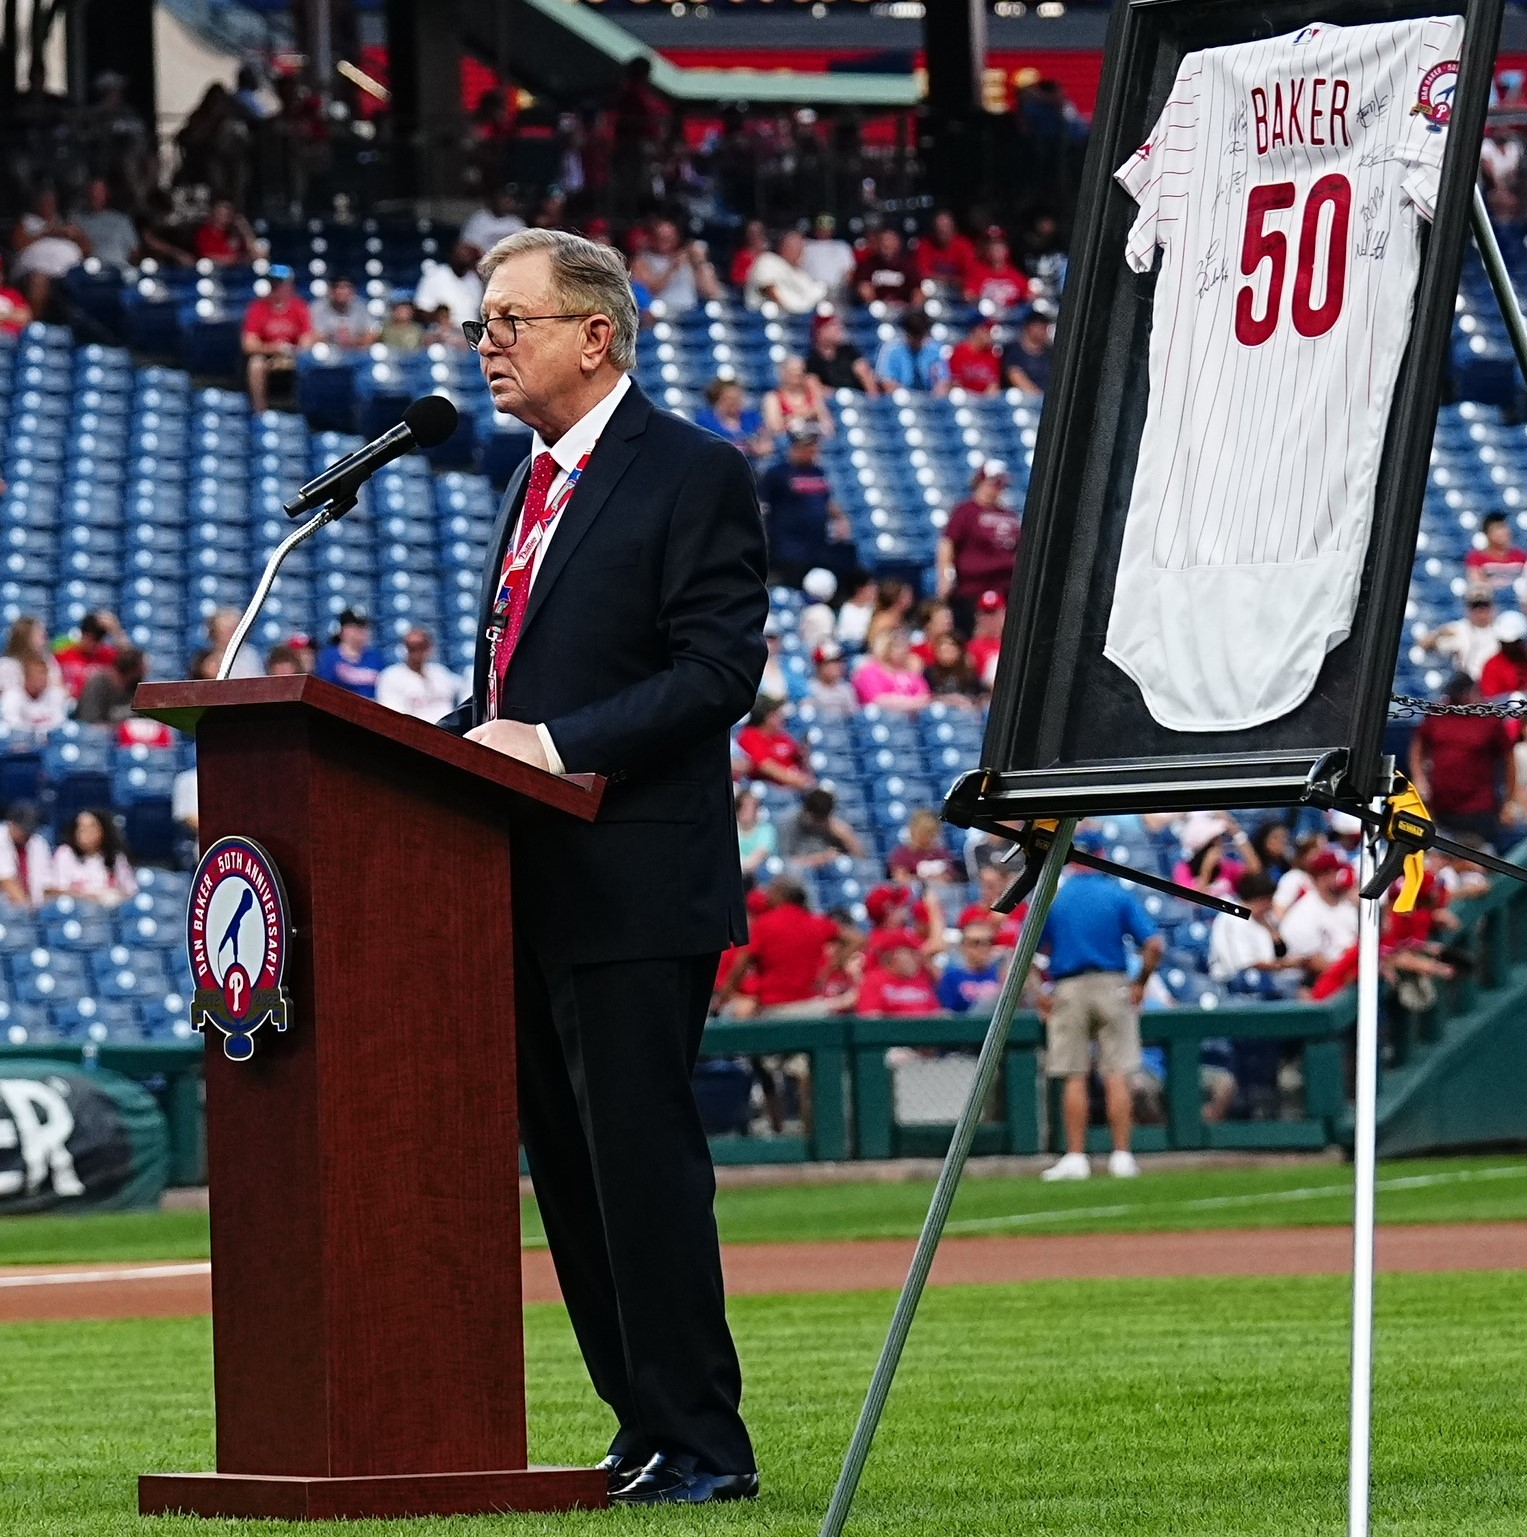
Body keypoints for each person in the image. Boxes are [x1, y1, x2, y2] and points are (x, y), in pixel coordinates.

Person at [447, 227, 764, 1503]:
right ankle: (638, 1423)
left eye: (509, 321)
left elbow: (715, 674)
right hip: (520, 879)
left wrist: (556, 741)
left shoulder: (692, 471)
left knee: (639, 1165)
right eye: (481, 324)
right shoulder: (527, 484)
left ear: (597, 334)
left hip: (634, 876)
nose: (487, 344)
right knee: (570, 1176)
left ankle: (705, 1443)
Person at [1038, 833, 1163, 1180]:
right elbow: (1154, 945)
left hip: (1068, 986)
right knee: (1117, 1073)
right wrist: (1140, 984)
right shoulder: (1115, 893)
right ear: (1101, 855)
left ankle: (1076, 1156)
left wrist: (1039, 994)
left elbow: (1028, 950)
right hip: (1112, 984)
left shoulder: (1056, 895)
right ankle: (1122, 1155)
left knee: (1074, 1075)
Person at [1409, 674, 1523, 850]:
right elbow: (1418, 747)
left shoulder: (1488, 718)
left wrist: (1509, 801)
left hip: (1478, 810)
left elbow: (1508, 759)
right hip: (1441, 807)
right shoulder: (1439, 713)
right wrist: (1419, 777)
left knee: (1478, 860)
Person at [756, 423, 856, 589]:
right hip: (789, 550)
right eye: (810, 446)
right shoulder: (778, 473)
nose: (815, 450)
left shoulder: (818, 472)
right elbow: (762, 506)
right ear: (798, 446)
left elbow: (826, 501)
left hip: (818, 547)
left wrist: (840, 518)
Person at [938, 462, 1020, 628]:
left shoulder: (1009, 515)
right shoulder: (966, 511)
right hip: (972, 589)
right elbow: (948, 544)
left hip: (1005, 588)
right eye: (993, 483)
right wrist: (945, 576)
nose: (997, 488)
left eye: (1001, 484)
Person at [1208, 870, 1300, 996]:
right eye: (1268, 900)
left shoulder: (1263, 918)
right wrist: (1285, 965)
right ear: (1258, 899)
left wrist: (1269, 927)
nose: (1271, 905)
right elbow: (1245, 964)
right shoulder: (1234, 918)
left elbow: (1280, 948)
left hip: (1267, 982)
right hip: (1231, 985)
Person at [242, 266, 315, 413]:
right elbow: (248, 344)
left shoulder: (299, 307)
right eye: (273, 283)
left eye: (281, 283)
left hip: (294, 356)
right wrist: (275, 348)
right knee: (255, 364)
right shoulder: (258, 307)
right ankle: (259, 412)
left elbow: (307, 340)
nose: (276, 288)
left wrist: (291, 352)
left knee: (309, 364)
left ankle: (305, 413)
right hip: (267, 357)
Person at [1277, 850, 1360, 975]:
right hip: (1309, 980)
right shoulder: (1304, 913)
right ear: (1320, 877)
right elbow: (1314, 963)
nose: (1341, 876)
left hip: (1345, 974)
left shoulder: (1347, 907)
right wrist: (1354, 974)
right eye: (1335, 872)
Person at [10, 188, 88, 316]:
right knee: (39, 281)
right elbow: (17, 244)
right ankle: (34, 327)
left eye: (51, 202)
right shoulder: (28, 221)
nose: (47, 205)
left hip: (69, 271)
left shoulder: (65, 222)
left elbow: (88, 249)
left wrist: (77, 235)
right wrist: (47, 232)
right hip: (37, 271)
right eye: (44, 202)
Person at [630, 218, 720, 316]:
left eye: (669, 238)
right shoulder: (641, 261)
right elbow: (648, 290)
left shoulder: (688, 257)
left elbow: (711, 292)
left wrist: (700, 262)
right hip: (661, 314)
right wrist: (672, 267)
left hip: (691, 313)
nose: (665, 242)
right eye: (661, 237)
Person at [48, 809, 137, 906]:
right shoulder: (65, 854)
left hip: (108, 914)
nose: (87, 833)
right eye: (82, 828)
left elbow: (130, 891)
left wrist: (114, 896)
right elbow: (57, 890)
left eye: (92, 827)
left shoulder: (116, 857)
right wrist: (92, 897)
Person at [376, 628, 463, 722]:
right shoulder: (391, 676)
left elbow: (465, 689)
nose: (417, 652)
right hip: (413, 732)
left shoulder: (440, 672)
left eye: (421, 646)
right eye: (411, 647)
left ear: (429, 647)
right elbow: (392, 715)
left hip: (448, 731)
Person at [1421, 584, 1501, 680]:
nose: (1480, 610)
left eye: (1484, 605)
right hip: (1468, 686)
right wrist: (1439, 633)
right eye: (1475, 605)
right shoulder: (1459, 629)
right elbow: (1424, 646)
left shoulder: (1503, 630)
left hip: (1495, 685)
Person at [735, 696, 812, 790]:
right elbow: (765, 766)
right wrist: (796, 780)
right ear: (766, 717)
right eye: (776, 714)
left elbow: (800, 759)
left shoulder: (783, 736)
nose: (781, 717)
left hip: (793, 787)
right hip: (770, 788)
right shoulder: (750, 735)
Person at [743, 230, 827, 315]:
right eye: (797, 247)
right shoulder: (768, 260)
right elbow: (770, 291)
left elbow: (815, 296)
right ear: (784, 247)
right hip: (763, 319)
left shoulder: (801, 274)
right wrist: (793, 309)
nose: (802, 252)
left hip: (795, 320)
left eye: (802, 248)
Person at [857, 934, 942, 1014]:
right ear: (891, 955)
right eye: (911, 953)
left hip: (924, 1029)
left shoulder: (921, 979)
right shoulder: (874, 981)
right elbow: (871, 1019)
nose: (917, 958)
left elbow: (935, 1013)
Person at [779, 787, 862, 868]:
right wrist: (821, 858)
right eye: (817, 819)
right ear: (807, 813)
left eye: (824, 819)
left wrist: (847, 837)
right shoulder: (789, 824)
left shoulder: (833, 827)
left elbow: (862, 860)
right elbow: (784, 864)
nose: (821, 823)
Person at [695, 378, 772, 464]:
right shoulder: (705, 421)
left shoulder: (751, 417)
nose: (734, 403)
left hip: (752, 464)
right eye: (729, 399)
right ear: (717, 399)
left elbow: (767, 443)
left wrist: (758, 447)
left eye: (738, 398)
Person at [853, 628, 931, 712]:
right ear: (887, 648)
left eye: (905, 646)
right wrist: (911, 703)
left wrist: (900, 702)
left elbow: (925, 698)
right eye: (898, 647)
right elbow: (878, 700)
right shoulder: (870, 671)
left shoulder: (911, 672)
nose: (903, 650)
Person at [874, 309, 949, 395]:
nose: (917, 340)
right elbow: (886, 383)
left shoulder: (934, 350)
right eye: (913, 335)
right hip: (901, 400)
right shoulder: (891, 350)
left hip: (929, 402)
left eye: (920, 335)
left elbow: (943, 383)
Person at [315, 609, 386, 699]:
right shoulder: (329, 656)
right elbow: (324, 688)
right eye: (354, 627)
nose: (359, 632)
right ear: (342, 630)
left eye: (363, 627)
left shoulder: (375, 657)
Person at [937, 921, 1005, 1013]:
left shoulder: (1002, 974)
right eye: (975, 943)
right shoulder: (951, 978)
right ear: (963, 946)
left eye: (988, 942)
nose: (983, 948)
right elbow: (948, 1014)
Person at [762, 355, 835, 439]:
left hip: (813, 443)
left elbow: (828, 426)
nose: (798, 373)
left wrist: (795, 418)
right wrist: (807, 414)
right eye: (793, 371)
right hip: (789, 444)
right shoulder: (774, 397)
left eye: (801, 370)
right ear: (783, 373)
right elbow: (775, 428)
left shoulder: (812, 394)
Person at [804, 311, 878, 395]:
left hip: (857, 397)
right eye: (832, 326)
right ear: (820, 331)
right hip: (832, 400)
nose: (838, 329)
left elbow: (864, 371)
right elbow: (814, 385)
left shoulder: (848, 350)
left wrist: (873, 400)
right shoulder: (813, 358)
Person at [73, 178, 139, 270]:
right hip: (89, 270)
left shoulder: (121, 220)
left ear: (106, 194)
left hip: (118, 269)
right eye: (93, 192)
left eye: (99, 192)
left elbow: (134, 251)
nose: (95, 196)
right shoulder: (77, 221)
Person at [415, 242, 485, 327]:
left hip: (470, 332)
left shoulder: (475, 280)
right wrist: (438, 317)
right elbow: (421, 309)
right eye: (462, 253)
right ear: (451, 255)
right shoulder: (435, 275)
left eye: (469, 254)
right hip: (442, 332)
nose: (465, 257)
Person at [53, 611, 121, 697]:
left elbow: (130, 660)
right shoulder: (63, 653)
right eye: (91, 639)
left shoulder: (106, 654)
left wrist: (116, 630)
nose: (93, 645)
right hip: (70, 703)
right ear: (83, 634)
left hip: (99, 703)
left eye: (97, 640)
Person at [963, 228, 1030, 312]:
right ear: (986, 250)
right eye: (992, 246)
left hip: (1011, 320)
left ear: (1006, 250)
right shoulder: (976, 272)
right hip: (984, 320)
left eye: (1000, 246)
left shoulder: (1016, 275)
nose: (996, 250)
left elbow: (1028, 296)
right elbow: (969, 295)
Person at [887, 807, 961, 884]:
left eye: (932, 833)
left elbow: (950, 878)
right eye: (925, 832)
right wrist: (923, 882)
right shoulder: (901, 854)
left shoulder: (941, 852)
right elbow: (901, 879)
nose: (929, 837)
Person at [1, 652, 70, 733]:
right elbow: (11, 727)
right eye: (37, 674)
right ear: (27, 677)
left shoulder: (55, 694)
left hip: (48, 742)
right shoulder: (12, 696)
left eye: (44, 674)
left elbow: (59, 724)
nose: (42, 679)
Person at [76, 646, 147, 725]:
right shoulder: (97, 683)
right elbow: (89, 720)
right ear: (132, 672)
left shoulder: (136, 686)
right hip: (97, 733)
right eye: (140, 671)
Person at [0, 801, 51, 907]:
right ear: (11, 823)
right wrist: (28, 909)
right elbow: (6, 880)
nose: (26, 834)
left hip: (32, 907)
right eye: (23, 829)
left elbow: (45, 883)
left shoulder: (38, 842)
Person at [852, 227, 918, 308]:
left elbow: (917, 289)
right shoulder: (867, 265)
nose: (887, 245)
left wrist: (913, 305)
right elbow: (863, 287)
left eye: (891, 241)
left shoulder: (907, 265)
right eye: (884, 241)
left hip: (903, 310)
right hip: (876, 310)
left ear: (898, 243)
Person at [913, 210, 975, 295]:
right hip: (933, 290)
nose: (943, 231)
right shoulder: (925, 245)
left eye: (946, 227)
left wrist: (956, 281)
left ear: (953, 228)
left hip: (960, 290)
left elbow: (970, 273)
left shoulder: (964, 245)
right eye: (939, 228)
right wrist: (949, 279)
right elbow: (923, 274)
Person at [1465, 511, 1527, 592]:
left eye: (1505, 527)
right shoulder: (1476, 558)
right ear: (1487, 534)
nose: (1503, 532)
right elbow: (1477, 584)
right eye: (1498, 528)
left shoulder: (1521, 556)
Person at [309, 276, 379, 348]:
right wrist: (334, 337)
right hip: (327, 349)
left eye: (346, 288)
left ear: (353, 291)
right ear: (331, 291)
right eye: (338, 287)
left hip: (356, 349)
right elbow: (312, 335)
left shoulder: (361, 306)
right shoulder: (318, 306)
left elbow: (372, 334)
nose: (342, 292)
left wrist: (355, 341)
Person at [1003, 302, 1056, 395]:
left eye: (1044, 327)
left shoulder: (1050, 352)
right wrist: (1038, 396)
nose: (1042, 331)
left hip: (1046, 396)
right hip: (1024, 398)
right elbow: (1015, 374)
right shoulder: (1014, 350)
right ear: (1029, 327)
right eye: (1039, 327)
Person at [800, 213, 857, 299]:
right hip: (811, 292)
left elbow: (850, 270)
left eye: (827, 228)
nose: (824, 231)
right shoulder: (806, 246)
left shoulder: (842, 246)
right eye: (821, 228)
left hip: (836, 292)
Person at [0, 617, 62, 694]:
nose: (45, 641)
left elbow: (58, 690)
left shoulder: (48, 661)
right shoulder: (7, 665)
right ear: (25, 638)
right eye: (40, 636)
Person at [947, 319, 1004, 395]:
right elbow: (955, 383)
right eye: (986, 331)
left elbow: (993, 385)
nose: (990, 335)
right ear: (977, 330)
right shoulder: (959, 351)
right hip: (963, 398)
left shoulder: (992, 354)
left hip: (984, 400)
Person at [460, 188, 526, 255]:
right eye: (503, 197)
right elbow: (468, 246)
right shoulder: (478, 219)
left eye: (510, 198)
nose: (506, 200)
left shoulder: (517, 223)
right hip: (482, 260)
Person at [193, 199, 258, 265]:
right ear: (214, 214)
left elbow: (256, 254)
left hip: (238, 272)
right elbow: (207, 258)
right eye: (221, 214)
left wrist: (245, 228)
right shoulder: (205, 233)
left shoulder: (235, 233)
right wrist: (236, 259)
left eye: (228, 214)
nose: (225, 218)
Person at [205, 607, 264, 680]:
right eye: (226, 631)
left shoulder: (251, 655)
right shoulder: (208, 659)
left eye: (234, 630)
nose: (231, 635)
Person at [923, 633, 983, 704]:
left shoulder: (969, 673)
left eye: (949, 650)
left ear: (959, 651)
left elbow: (978, 695)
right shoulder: (929, 672)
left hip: (964, 707)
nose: (946, 654)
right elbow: (926, 696)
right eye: (943, 651)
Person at [1480, 609, 1527, 697]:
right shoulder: (1493, 665)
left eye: (1515, 643)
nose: (1510, 647)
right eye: (1505, 643)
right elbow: (1491, 699)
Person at [964, 591, 1007, 688]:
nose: (989, 618)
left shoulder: (1013, 643)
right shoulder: (972, 647)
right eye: (985, 613)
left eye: (993, 612)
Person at [806, 641, 858, 717]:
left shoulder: (846, 689)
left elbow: (854, 717)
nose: (836, 666)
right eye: (831, 662)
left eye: (838, 662)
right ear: (819, 666)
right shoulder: (810, 689)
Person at [735, 787, 778, 879]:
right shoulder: (732, 829)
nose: (749, 811)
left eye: (753, 807)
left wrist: (738, 868)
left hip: (756, 876)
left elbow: (759, 856)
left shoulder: (766, 830)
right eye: (744, 807)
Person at [729, 220, 768, 291]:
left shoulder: (769, 255)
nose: (756, 236)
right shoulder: (741, 256)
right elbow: (737, 280)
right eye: (752, 233)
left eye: (759, 232)